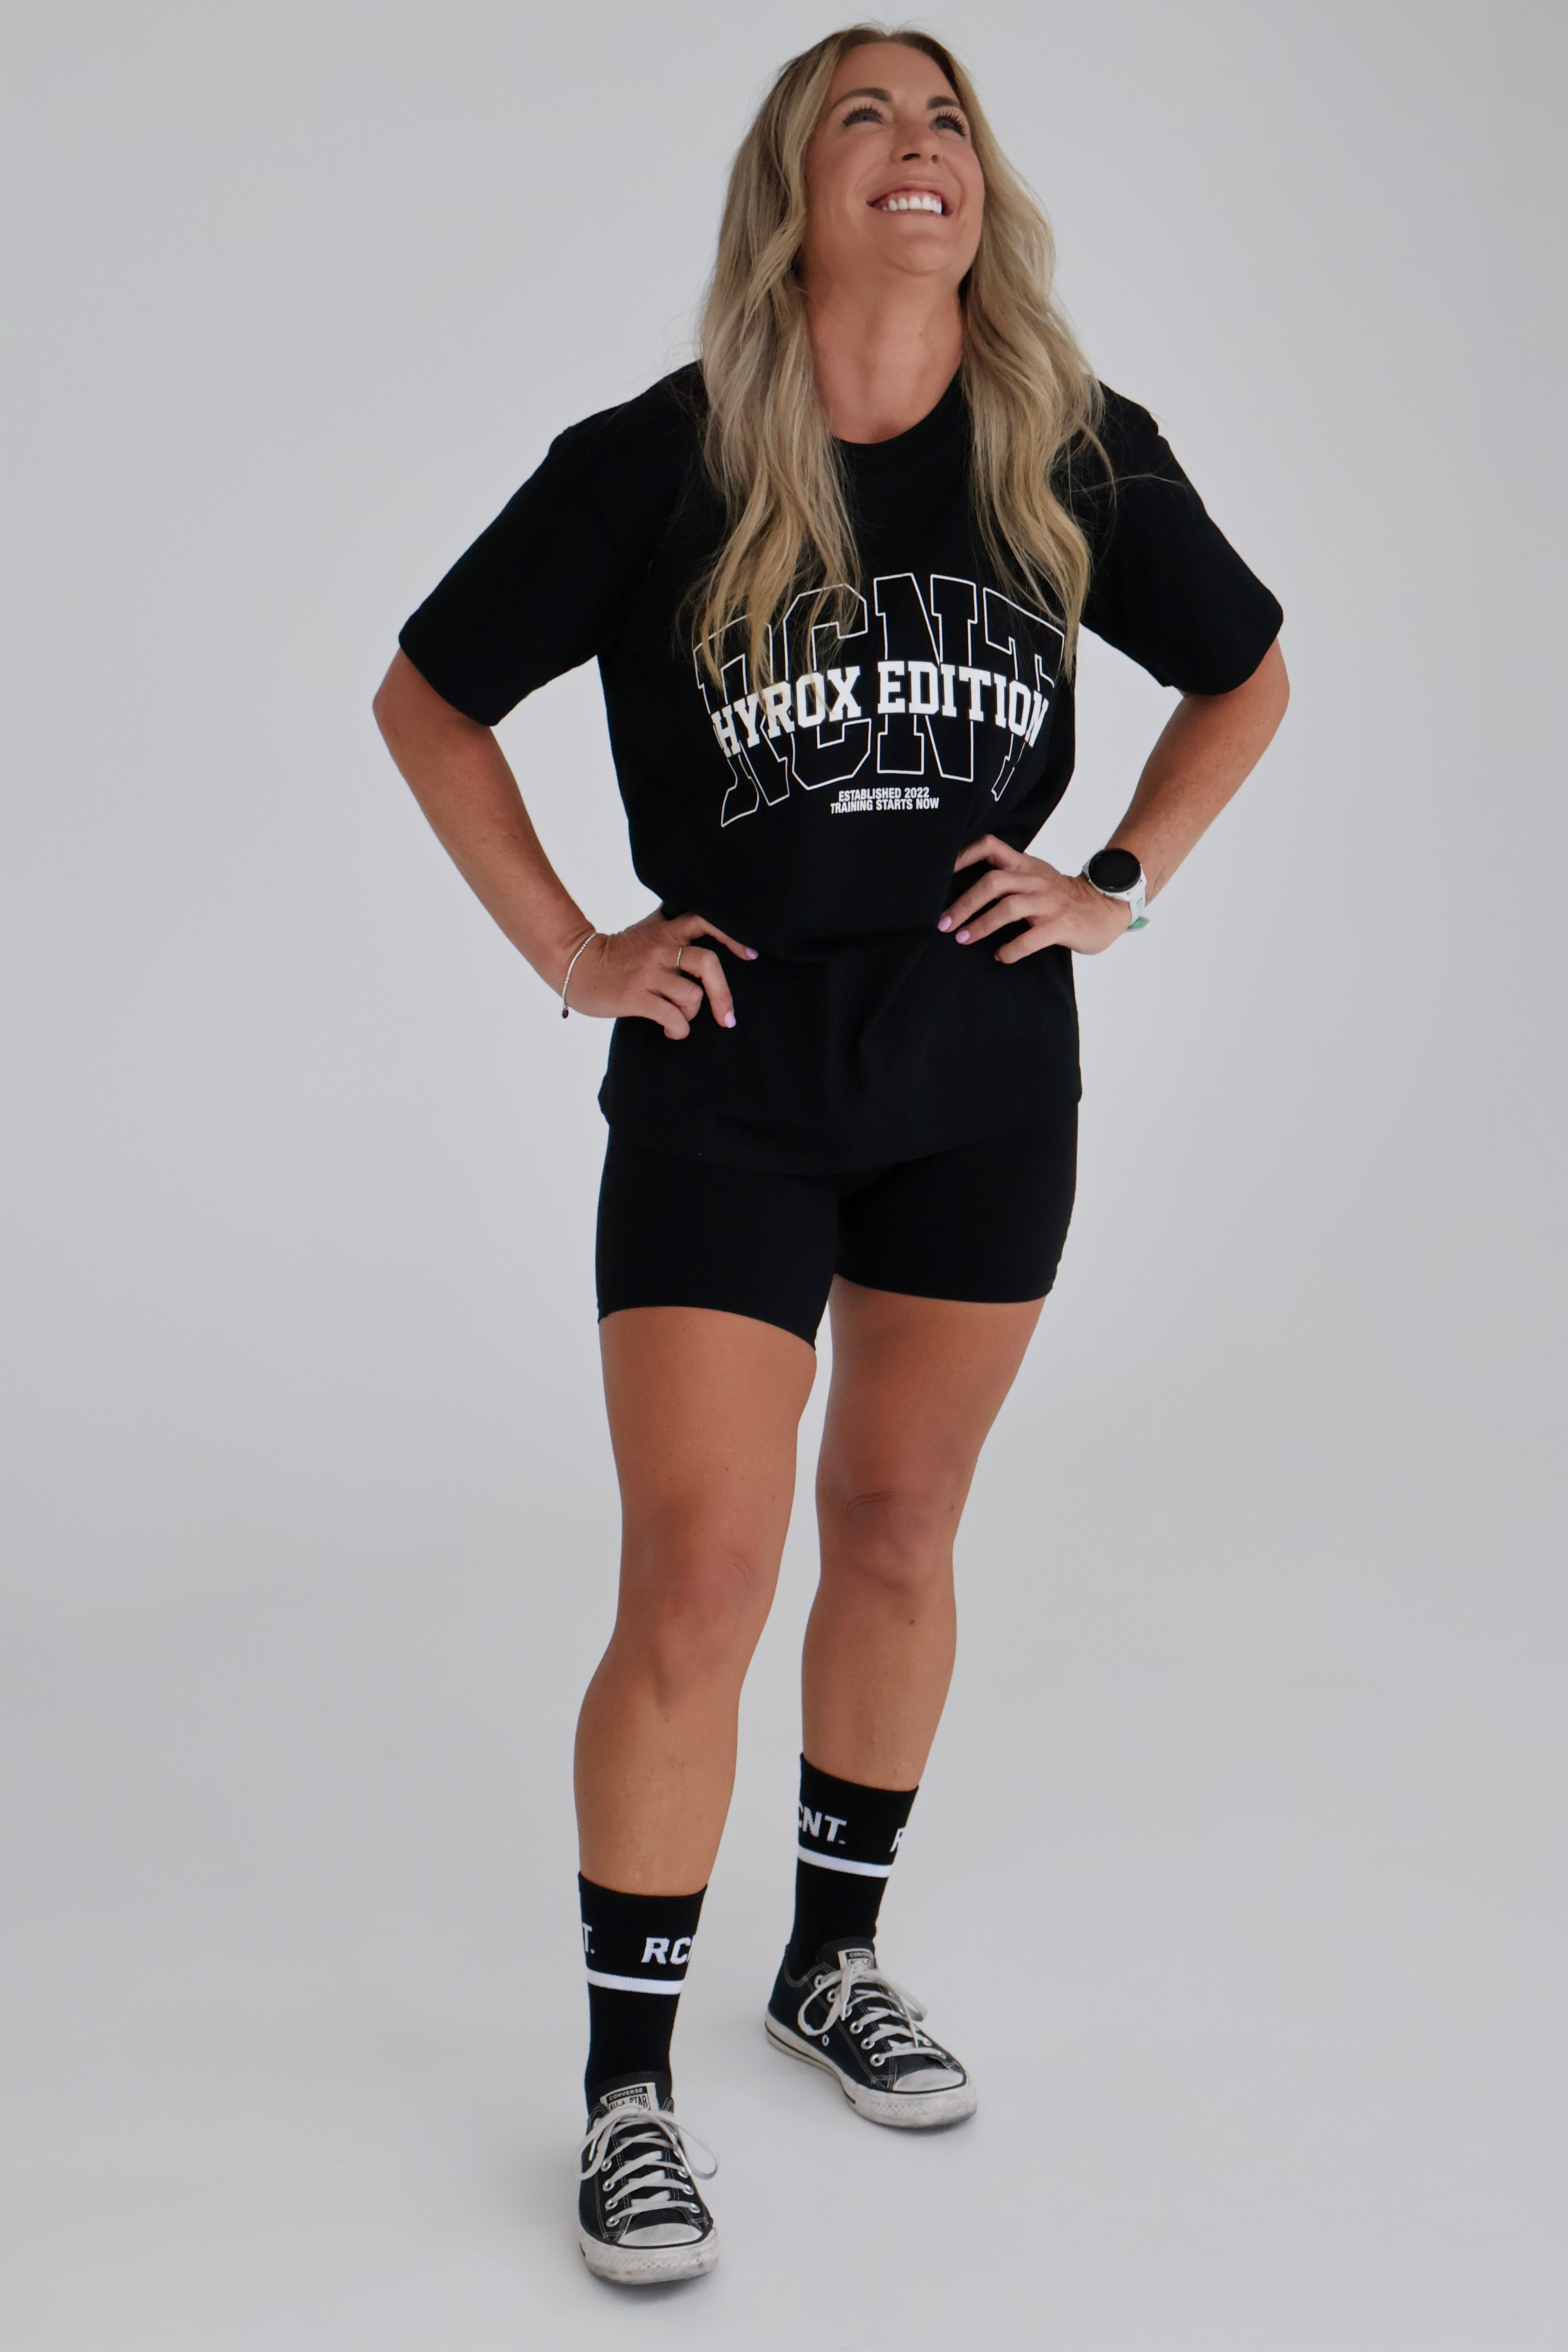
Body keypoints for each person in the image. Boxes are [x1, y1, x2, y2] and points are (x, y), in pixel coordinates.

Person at [373, 22, 1288, 2287]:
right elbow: (428, 697)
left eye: (946, 116)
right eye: (862, 115)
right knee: (699, 1576)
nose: (915, 145)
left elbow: (1246, 672)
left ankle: (832, 1961)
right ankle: (628, 2093)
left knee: (895, 1524)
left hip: (982, 1074)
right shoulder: (659, 461)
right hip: (732, 1075)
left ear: (984, 189)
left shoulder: (1067, 447)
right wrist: (577, 949)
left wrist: (1120, 882)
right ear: (792, 184)